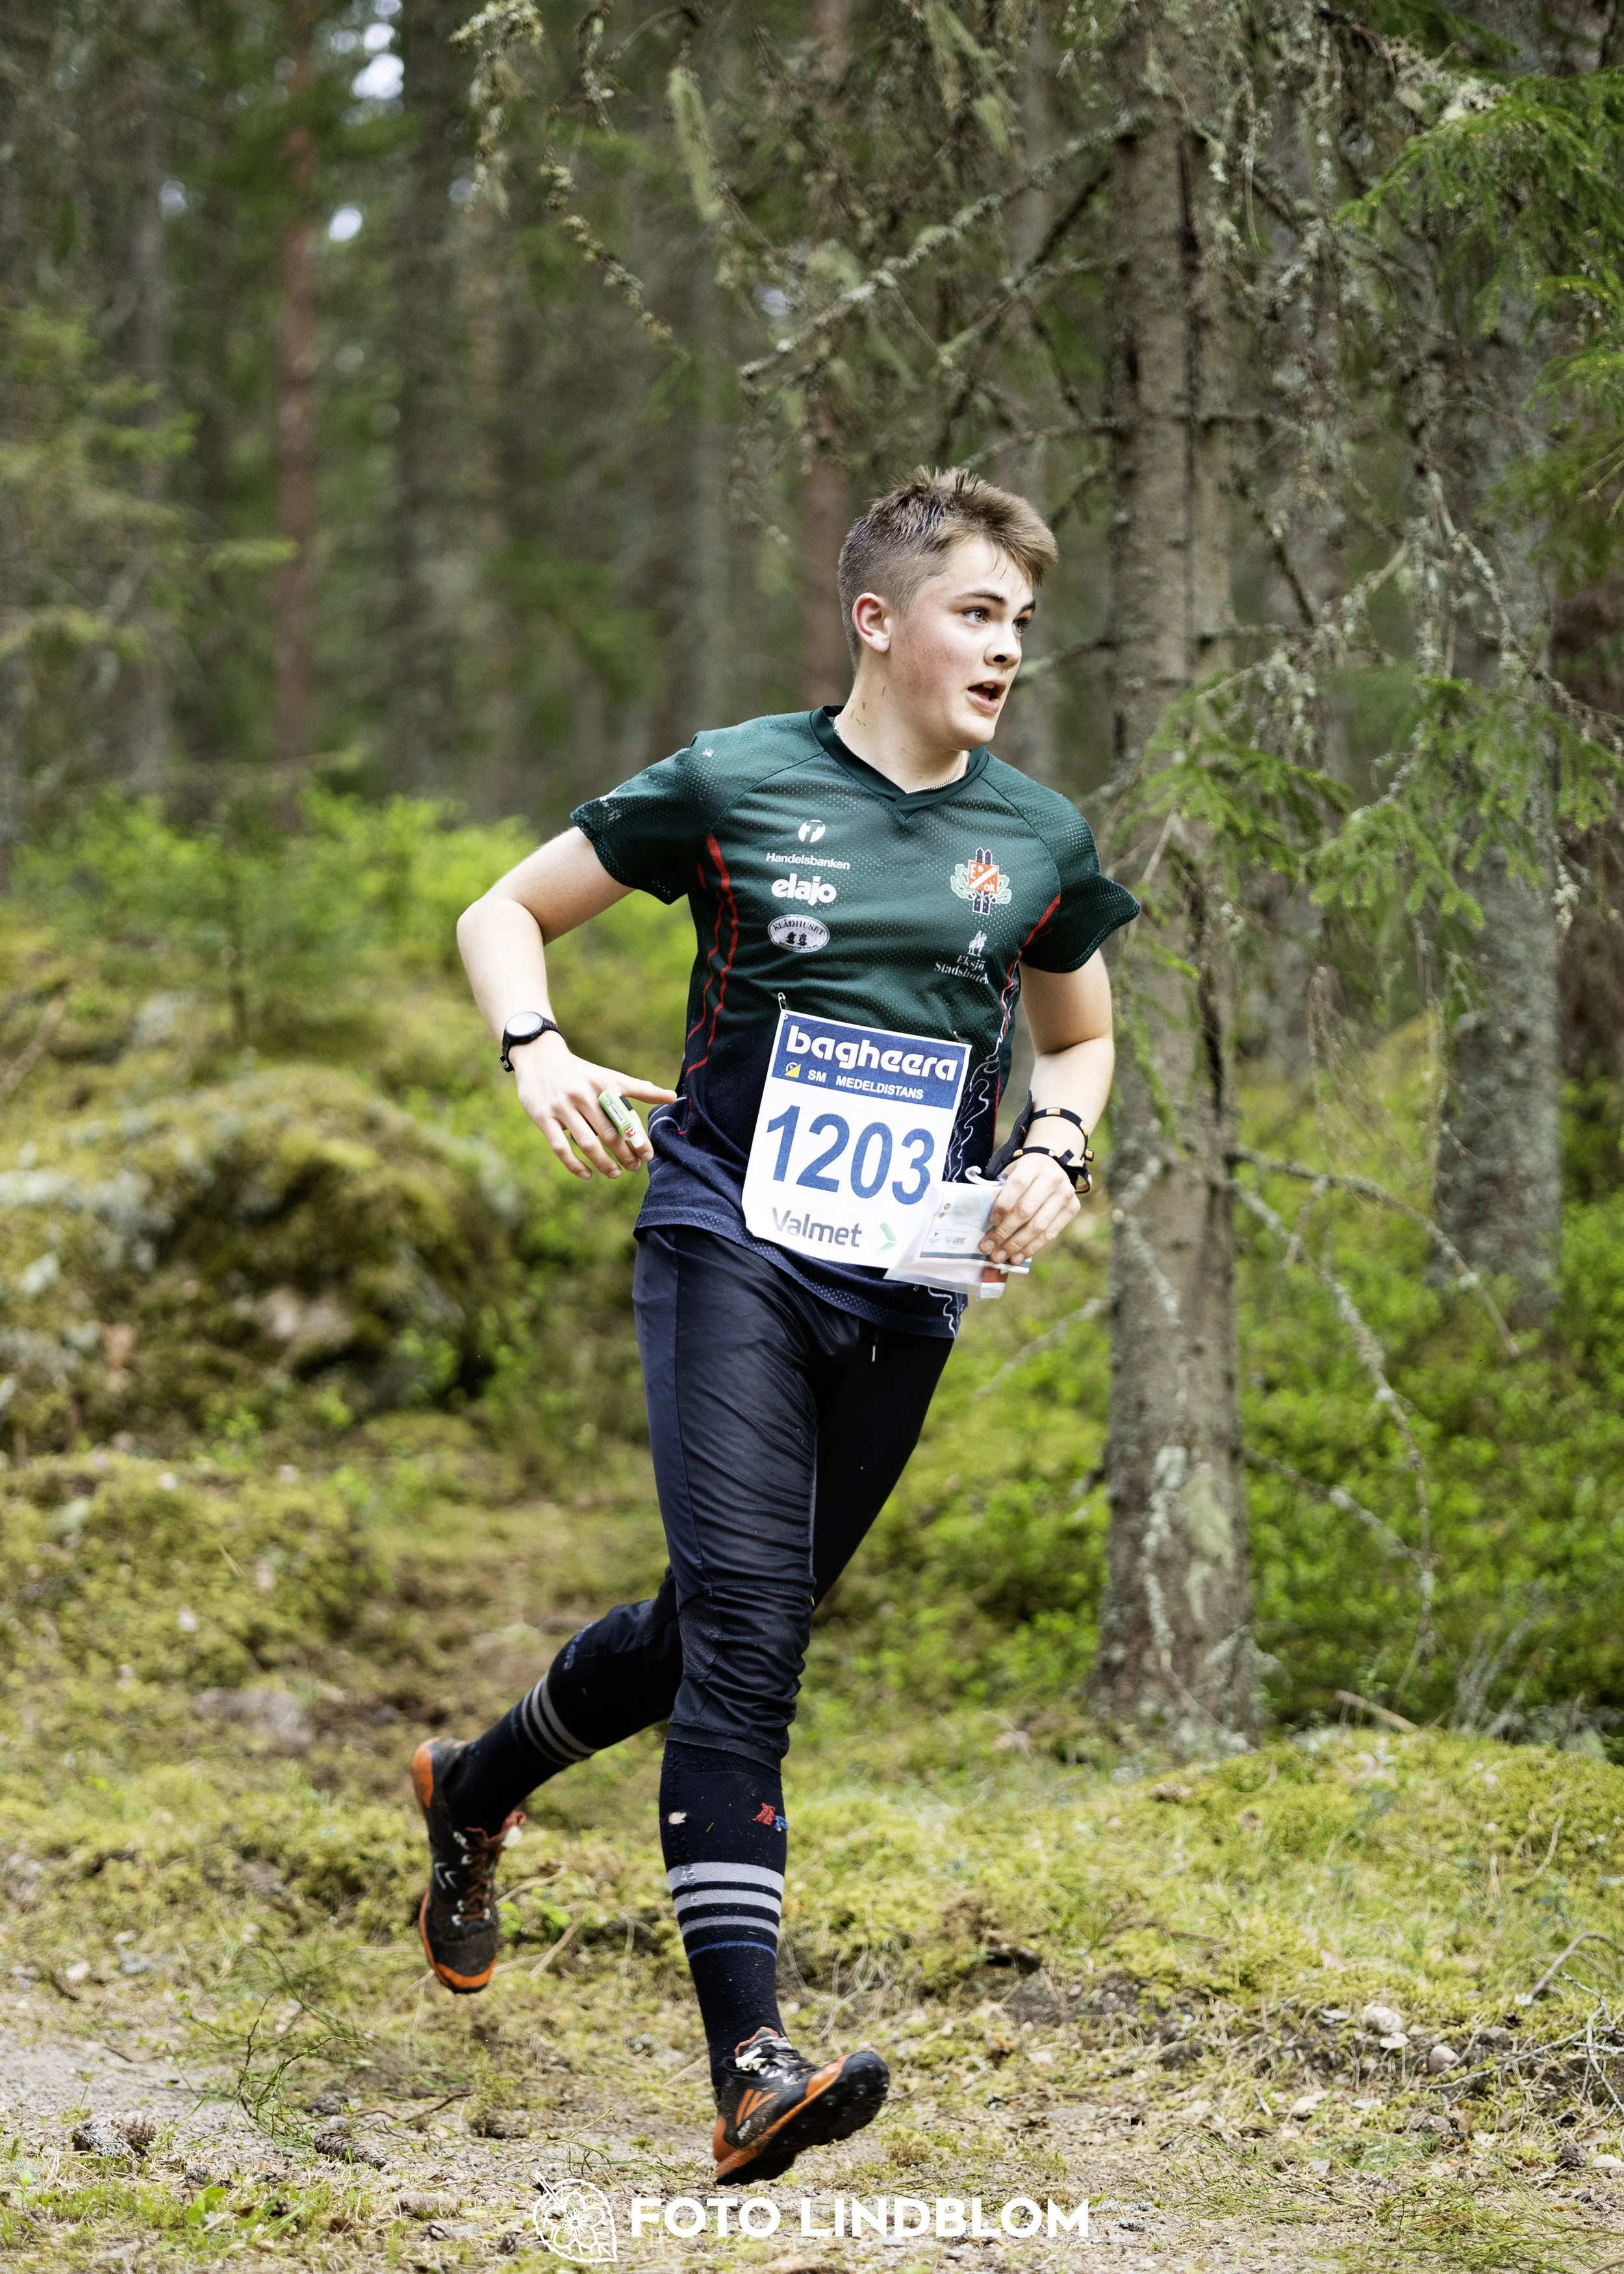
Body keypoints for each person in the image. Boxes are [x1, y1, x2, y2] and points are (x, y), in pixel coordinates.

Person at [410, 467, 1138, 2184]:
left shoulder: (1033, 835)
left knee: (722, 1616)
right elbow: (500, 910)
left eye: (1022, 622)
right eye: (976, 611)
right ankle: (752, 2063)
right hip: (727, 1233)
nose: (1006, 647)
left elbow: (1082, 1032)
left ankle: (476, 1781)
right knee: (751, 1632)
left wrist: (1053, 1143)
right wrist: (539, 1049)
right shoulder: (738, 781)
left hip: (907, 1274)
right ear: (875, 620)